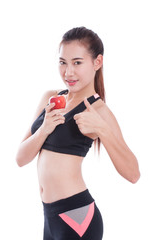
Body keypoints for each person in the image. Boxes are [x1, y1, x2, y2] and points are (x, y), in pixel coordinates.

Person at [16, 26, 140, 240]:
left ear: (97, 62)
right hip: (49, 217)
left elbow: (133, 174)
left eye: (77, 63)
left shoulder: (99, 110)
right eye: (63, 62)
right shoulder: (51, 98)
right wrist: (44, 129)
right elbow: (20, 158)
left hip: (77, 217)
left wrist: (101, 129)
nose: (68, 72)